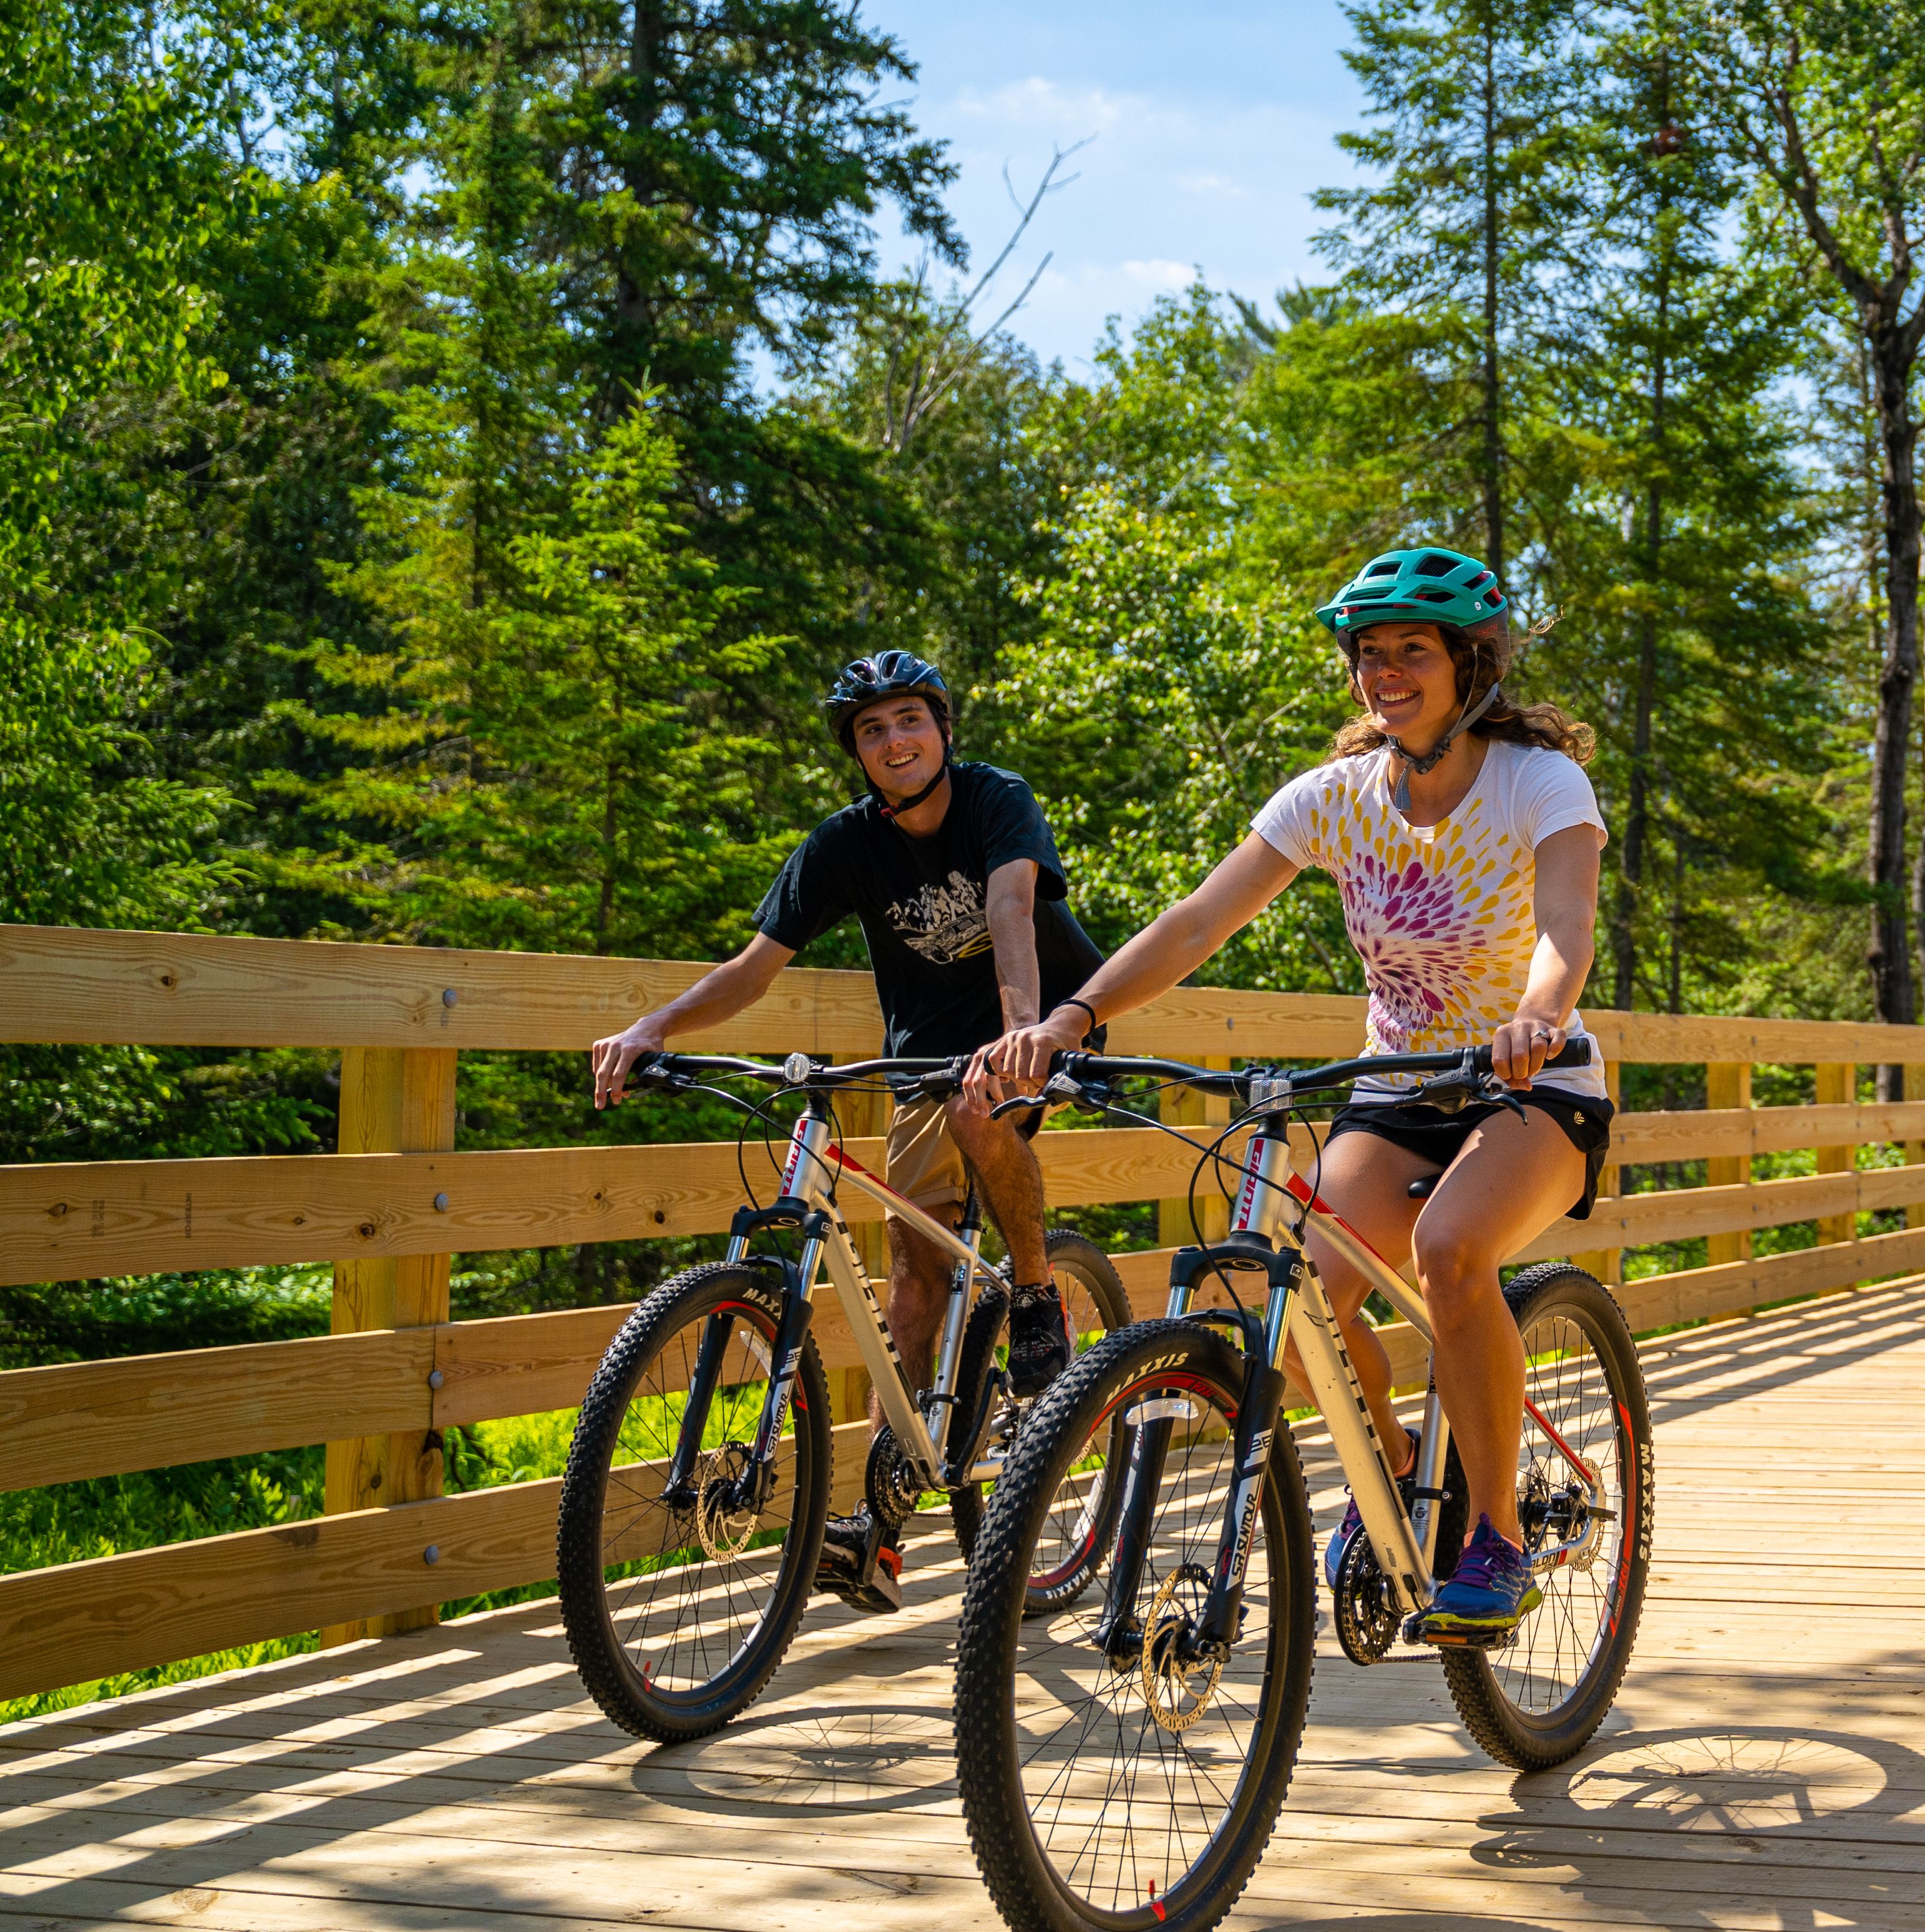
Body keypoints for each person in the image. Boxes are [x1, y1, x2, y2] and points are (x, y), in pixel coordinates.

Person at [973, 543, 1609, 1646]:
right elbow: (1196, 923)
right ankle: (1404, 1476)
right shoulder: (1334, 798)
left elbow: (1565, 925)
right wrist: (1070, 1020)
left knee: (1452, 1252)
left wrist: (1539, 1014)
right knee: (1288, 1282)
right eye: (1370, 654)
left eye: (1413, 650)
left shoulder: (1536, 781)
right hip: (1398, 1089)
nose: (1387, 672)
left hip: (1529, 1081)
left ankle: (1497, 1535)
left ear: (1470, 663)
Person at [588, 649, 1109, 1614]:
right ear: (858, 756)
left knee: (983, 1111)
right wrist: (654, 1025)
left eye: (910, 720)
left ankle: (1036, 1295)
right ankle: (880, 1533)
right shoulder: (843, 845)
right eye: (872, 731)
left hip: (1038, 1019)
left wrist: (1023, 1037)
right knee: (912, 1279)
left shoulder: (998, 800)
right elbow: (756, 965)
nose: (894, 740)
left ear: (943, 730)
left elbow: (1009, 912)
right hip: (921, 1050)